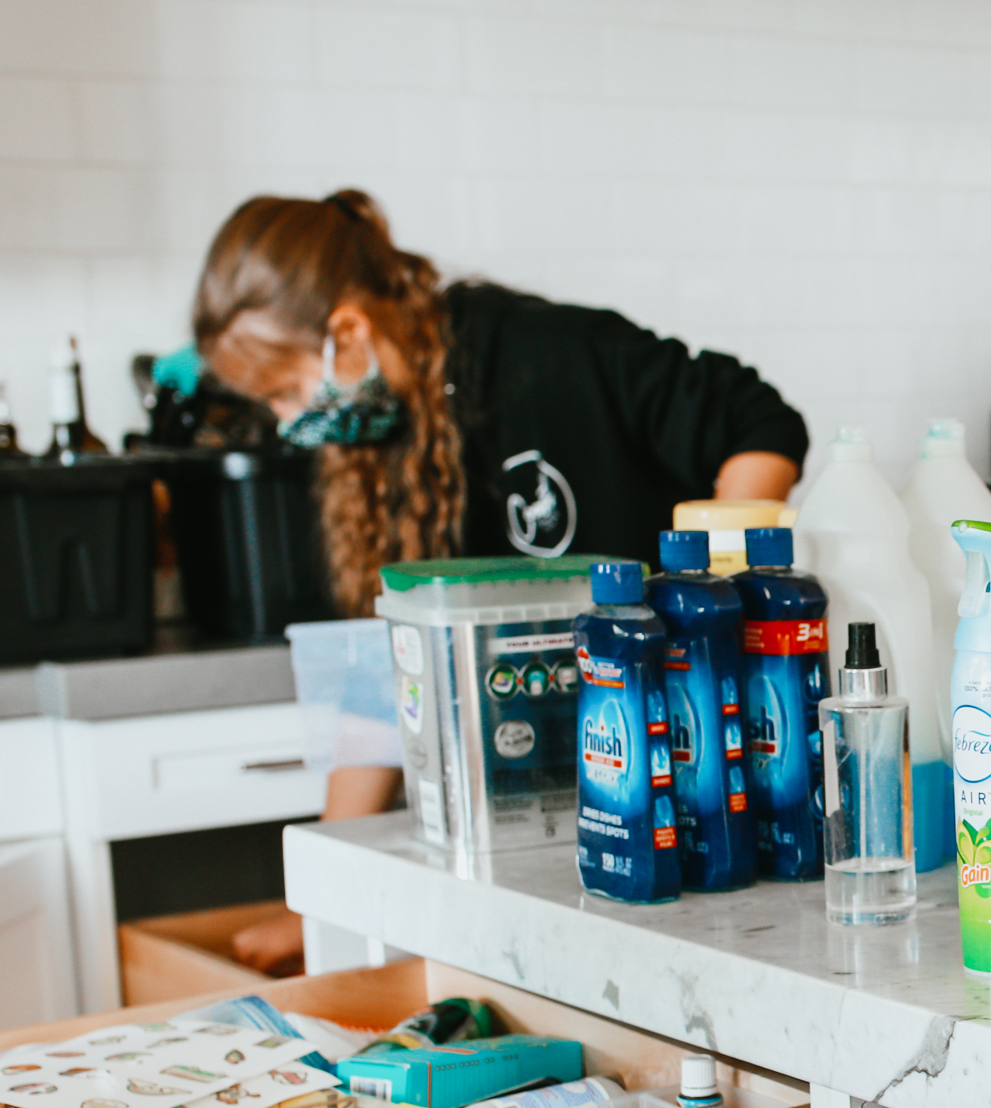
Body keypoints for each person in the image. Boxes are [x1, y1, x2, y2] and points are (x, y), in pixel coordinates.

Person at [192, 189, 807, 972]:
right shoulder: (374, 455)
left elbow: (759, 421)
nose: (286, 420)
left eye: (283, 390)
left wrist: (706, 598)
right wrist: (316, 901)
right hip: (537, 824)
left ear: (345, 331)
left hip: (677, 779)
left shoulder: (547, 351)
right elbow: (393, 684)